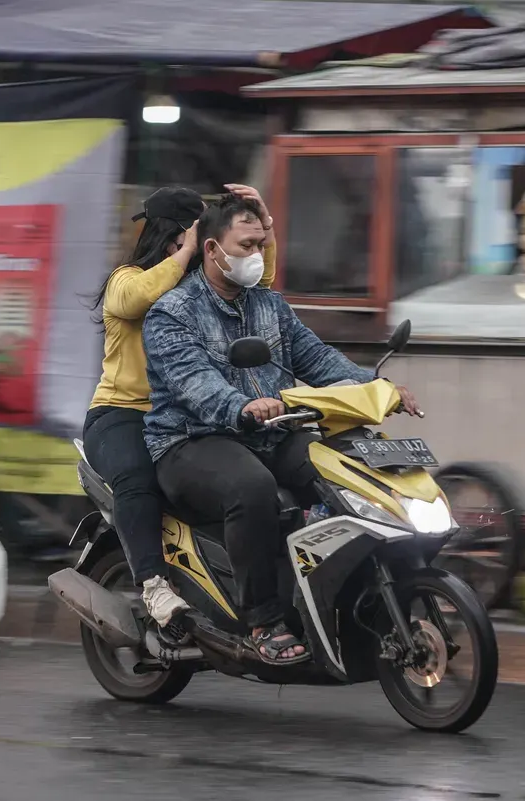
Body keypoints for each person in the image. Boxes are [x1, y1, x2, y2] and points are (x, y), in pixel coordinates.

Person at [142, 194, 420, 664]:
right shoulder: (172, 313)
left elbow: (318, 358)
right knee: (252, 487)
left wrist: (378, 386)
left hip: (271, 432)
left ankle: (345, 589)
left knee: (342, 467)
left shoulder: (270, 306)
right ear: (212, 249)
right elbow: (196, 386)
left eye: (260, 244)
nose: (256, 255)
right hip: (190, 441)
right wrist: (244, 406)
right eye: (246, 246)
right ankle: (262, 621)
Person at [84, 185, 278, 627]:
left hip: (186, 416)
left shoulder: (196, 288)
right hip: (123, 414)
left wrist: (264, 227)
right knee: (138, 476)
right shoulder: (128, 279)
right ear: (170, 237)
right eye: (185, 238)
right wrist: (190, 249)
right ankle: (152, 585)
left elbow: (261, 283)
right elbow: (137, 299)